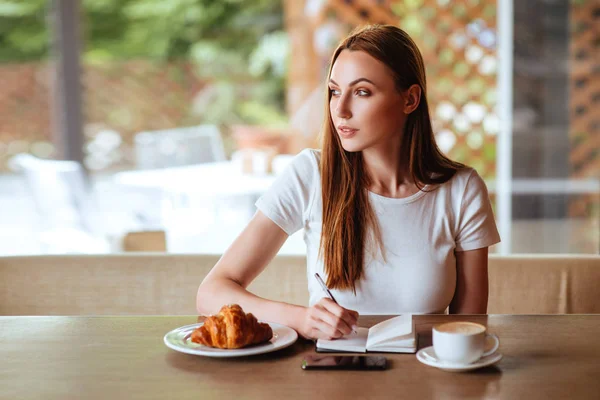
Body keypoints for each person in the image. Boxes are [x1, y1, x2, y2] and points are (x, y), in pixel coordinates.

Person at [196, 24, 501, 341]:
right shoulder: (310, 175)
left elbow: (469, 331)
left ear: (410, 99)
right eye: (335, 91)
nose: (340, 110)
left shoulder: (461, 191)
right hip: (333, 379)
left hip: (424, 377)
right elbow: (211, 293)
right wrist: (301, 318)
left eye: (362, 92)